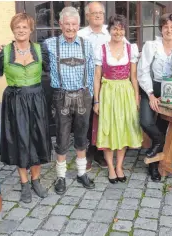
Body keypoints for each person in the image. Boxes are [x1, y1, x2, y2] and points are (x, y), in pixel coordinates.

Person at [0, 13, 51, 203]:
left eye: (25, 27)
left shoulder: (41, 50)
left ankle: (36, 180)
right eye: (18, 27)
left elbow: (50, 73)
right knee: (21, 141)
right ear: (13, 30)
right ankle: (24, 183)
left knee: (38, 138)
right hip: (15, 101)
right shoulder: (4, 52)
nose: (21, 30)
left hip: (37, 99)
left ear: (31, 29)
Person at [43, 6, 96, 194]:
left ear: (78, 25)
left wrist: (90, 94)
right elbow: (30, 55)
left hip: (83, 95)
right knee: (62, 137)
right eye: (67, 24)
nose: (71, 28)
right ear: (60, 24)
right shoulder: (49, 45)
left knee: (82, 136)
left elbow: (91, 72)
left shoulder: (86, 44)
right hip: (61, 96)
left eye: (74, 24)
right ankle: (61, 176)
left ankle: (81, 173)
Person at [137, 13, 172, 182]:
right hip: (152, 87)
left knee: (162, 126)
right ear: (161, 29)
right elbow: (143, 70)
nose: (169, 30)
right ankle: (159, 141)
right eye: (165, 27)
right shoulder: (151, 45)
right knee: (145, 121)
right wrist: (151, 94)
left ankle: (154, 166)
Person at [93, 15, 142, 183]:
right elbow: (97, 76)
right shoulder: (102, 49)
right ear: (110, 30)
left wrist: (136, 98)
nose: (118, 32)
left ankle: (120, 165)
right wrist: (97, 101)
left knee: (123, 129)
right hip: (108, 93)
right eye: (115, 28)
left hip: (126, 92)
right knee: (108, 129)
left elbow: (134, 76)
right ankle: (111, 168)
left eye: (121, 29)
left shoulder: (131, 48)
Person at [77, 1, 110, 171]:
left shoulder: (110, 33)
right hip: (86, 83)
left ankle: (99, 151)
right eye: (94, 13)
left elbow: (127, 48)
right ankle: (89, 151)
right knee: (88, 119)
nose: (98, 16)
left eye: (100, 13)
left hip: (108, 84)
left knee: (104, 118)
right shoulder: (81, 34)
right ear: (87, 16)